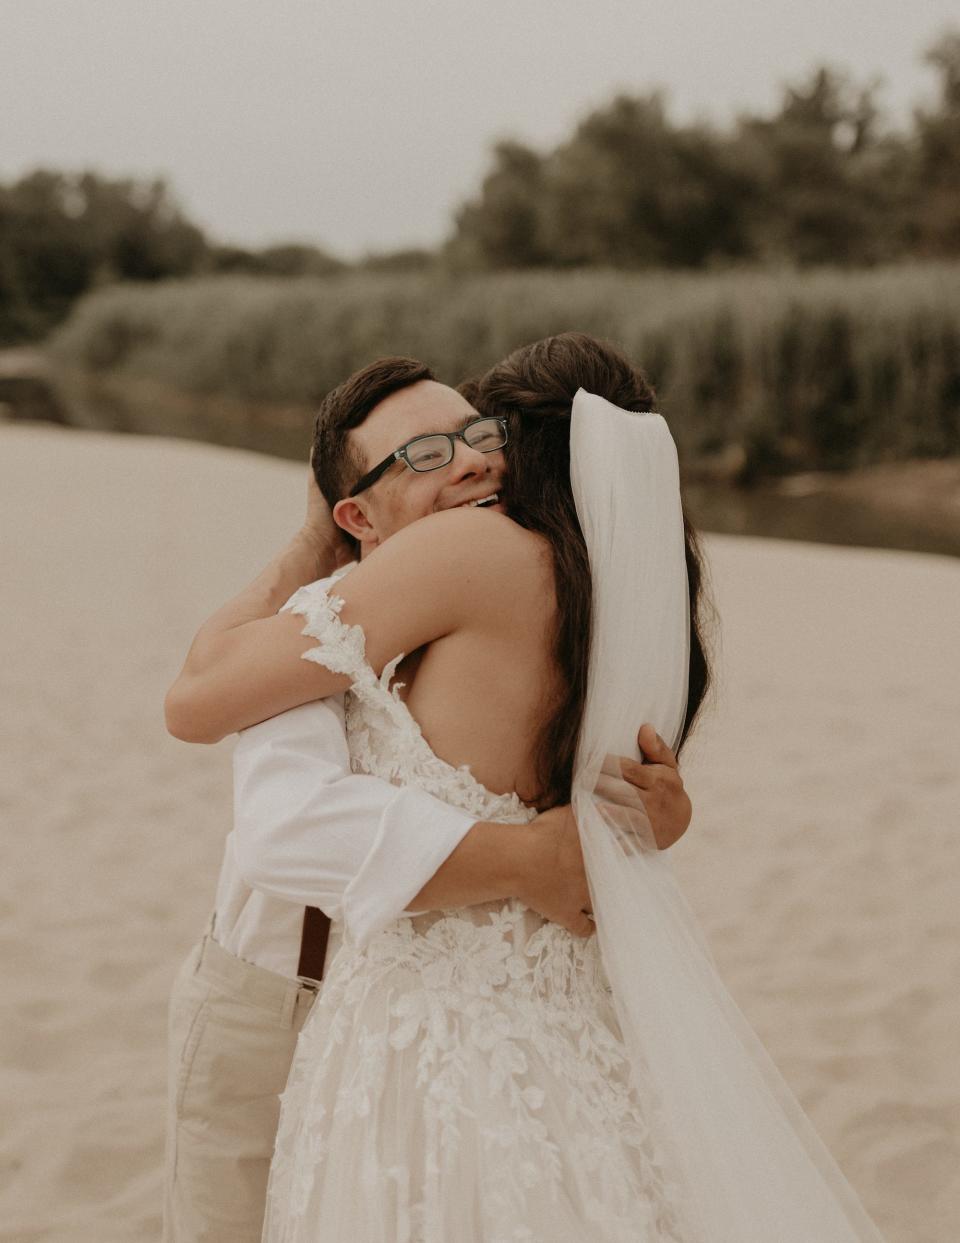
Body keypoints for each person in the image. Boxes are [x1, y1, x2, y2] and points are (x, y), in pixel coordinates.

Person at [167, 334, 884, 1240]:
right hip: (314, 991)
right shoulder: (615, 589)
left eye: (477, 436)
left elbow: (200, 701)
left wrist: (634, 823)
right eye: (426, 454)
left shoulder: (470, 562)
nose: (467, 462)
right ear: (356, 514)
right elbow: (244, 764)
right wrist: (565, 846)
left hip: (433, 1029)